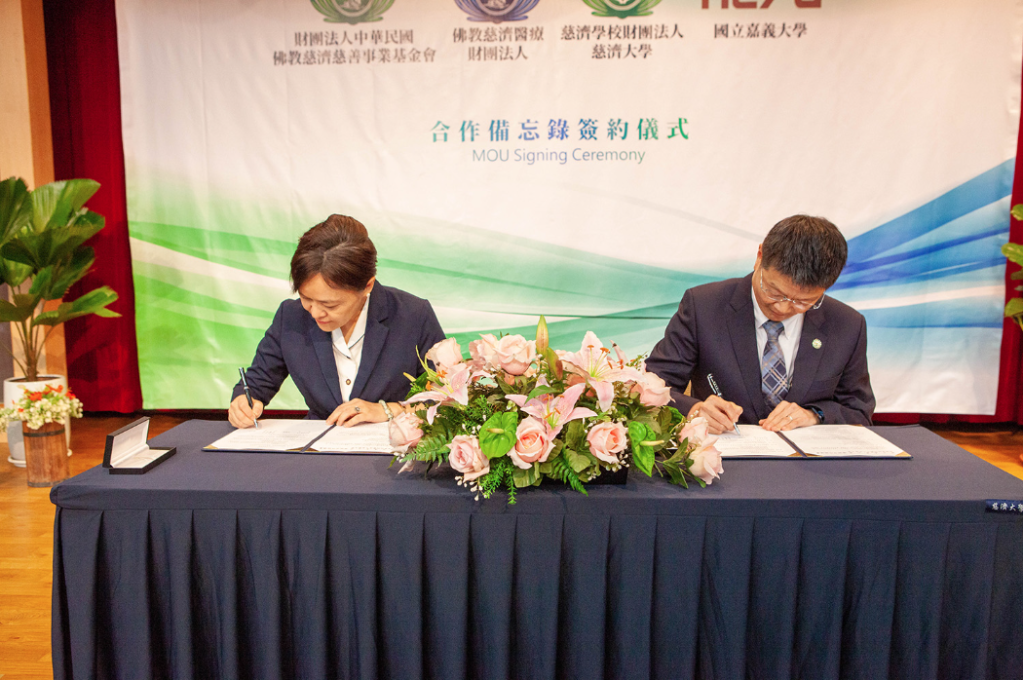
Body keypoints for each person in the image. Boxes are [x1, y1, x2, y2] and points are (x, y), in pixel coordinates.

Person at [646, 214, 875, 435]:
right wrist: (694, 410)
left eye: (802, 302)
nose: (783, 308)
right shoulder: (704, 306)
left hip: (808, 459)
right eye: (773, 292)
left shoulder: (847, 325)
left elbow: (858, 411)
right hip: (725, 452)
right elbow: (649, 387)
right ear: (759, 257)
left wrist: (815, 415)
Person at [228, 214, 446, 428]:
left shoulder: (412, 315)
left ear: (367, 286)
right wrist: (244, 403)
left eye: (330, 305)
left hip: (392, 443)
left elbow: (447, 399)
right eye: (306, 298)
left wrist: (388, 410)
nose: (315, 313)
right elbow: (257, 383)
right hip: (318, 444)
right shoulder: (291, 316)